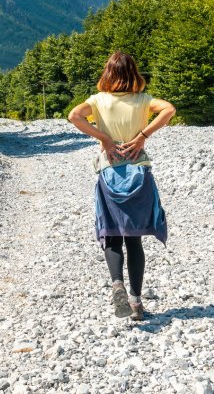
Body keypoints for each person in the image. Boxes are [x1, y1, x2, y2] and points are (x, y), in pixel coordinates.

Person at [68, 51, 176, 320]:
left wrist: (104, 138)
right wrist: (142, 136)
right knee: (134, 239)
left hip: (109, 173)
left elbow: (74, 116)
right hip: (139, 173)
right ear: (133, 73)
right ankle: (137, 303)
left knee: (112, 233)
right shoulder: (143, 100)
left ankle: (117, 284)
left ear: (108, 73)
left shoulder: (98, 101)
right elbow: (170, 109)